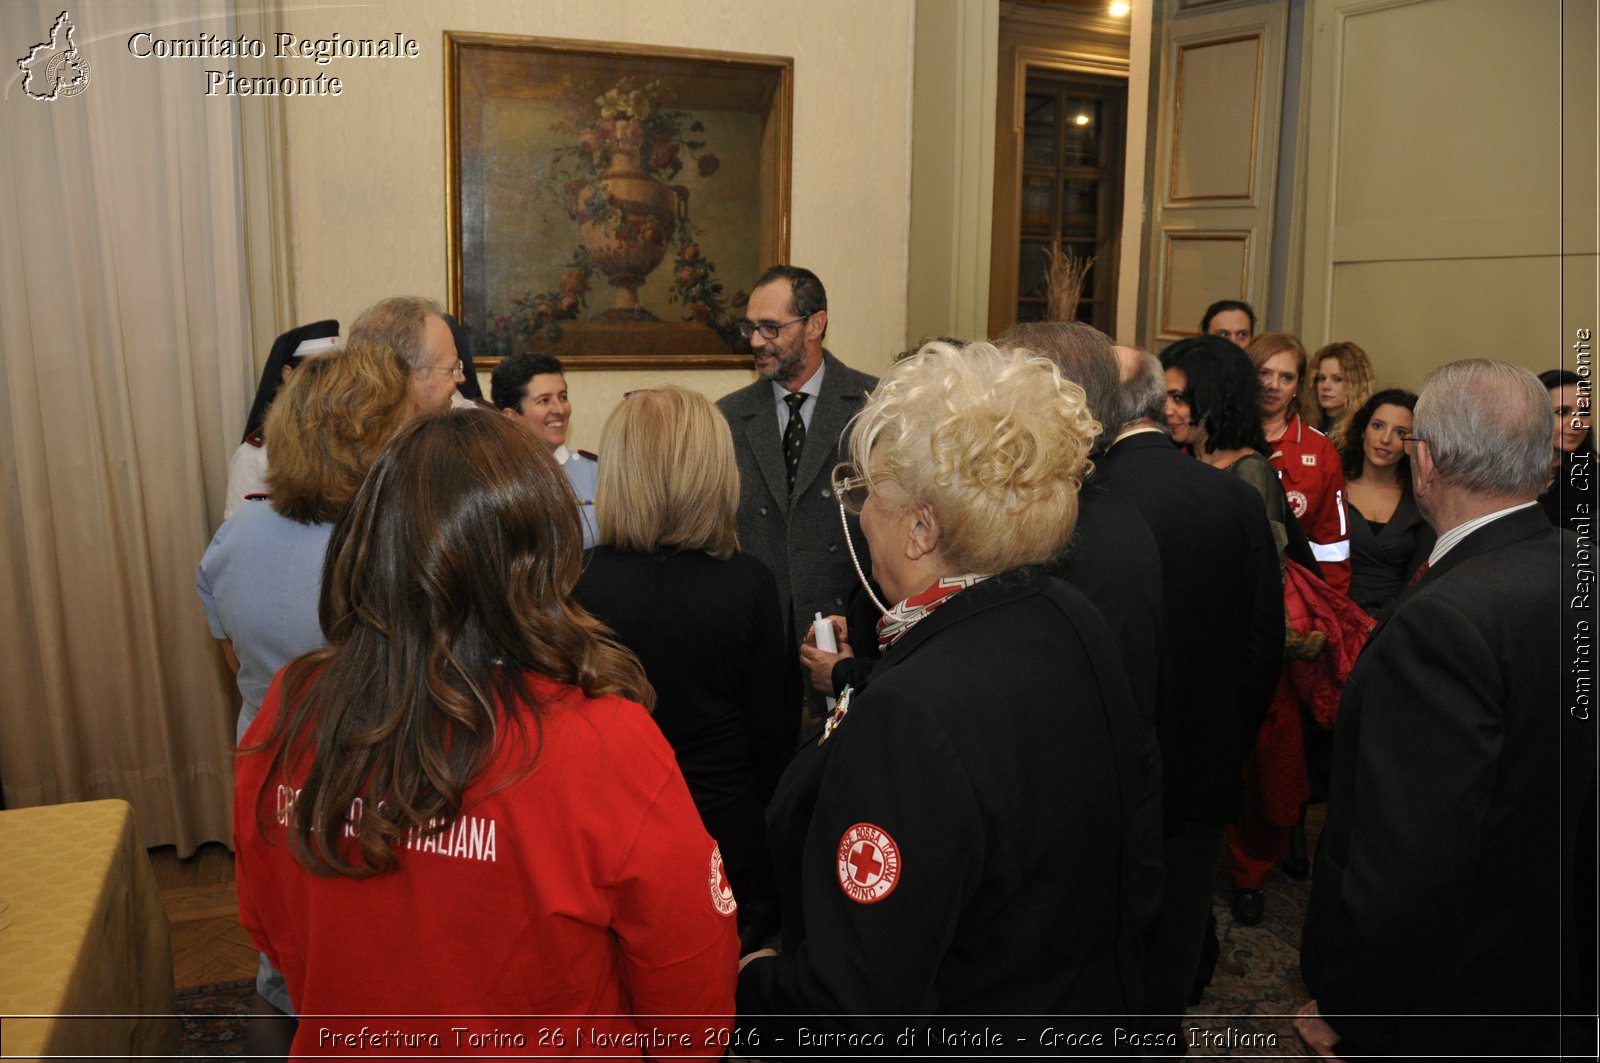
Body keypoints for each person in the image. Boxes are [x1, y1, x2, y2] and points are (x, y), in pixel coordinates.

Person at [234, 412, 739, 1058]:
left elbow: (273, 931)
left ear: (372, 540)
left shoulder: (292, 707)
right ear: (543, 555)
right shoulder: (604, 742)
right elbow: (691, 1019)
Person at [736, 341, 1157, 1029]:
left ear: (922, 528)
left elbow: (854, 1002)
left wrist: (755, 979)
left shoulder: (909, 713)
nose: (861, 515)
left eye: (868, 493)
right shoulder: (1070, 615)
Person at [1298, 360, 1592, 1060]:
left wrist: (1355, 1007)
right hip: (1544, 966)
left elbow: (1408, 860)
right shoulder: (1581, 563)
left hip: (1439, 999)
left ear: (1424, 461)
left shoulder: (1447, 620)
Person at [197, 340, 414, 1049]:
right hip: (374, 794)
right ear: (368, 434)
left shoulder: (233, 538)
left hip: (272, 789)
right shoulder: (396, 546)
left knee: (283, 968)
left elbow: (238, 661)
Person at [1100, 345, 1282, 1016]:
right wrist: (1228, 737)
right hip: (1205, 761)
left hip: (1109, 773)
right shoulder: (1233, 500)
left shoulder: (1081, 502)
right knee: (1174, 939)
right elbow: (1264, 643)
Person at [572, 385, 788, 949]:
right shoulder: (750, 583)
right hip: (719, 833)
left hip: (605, 831)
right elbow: (773, 735)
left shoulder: (574, 581)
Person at [716, 265, 877, 725]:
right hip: (757, 647)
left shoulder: (873, 407)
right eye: (750, 327)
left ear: (815, 325)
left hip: (846, 641)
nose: (755, 341)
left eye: (771, 328)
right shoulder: (727, 419)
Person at [1247, 331, 1351, 594]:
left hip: (1292, 598)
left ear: (1298, 385)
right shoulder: (1218, 439)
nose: (1273, 385)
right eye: (1263, 373)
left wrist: (1330, 613)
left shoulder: (1319, 450)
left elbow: (1332, 546)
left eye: (1286, 377)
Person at [223, 319, 339, 519]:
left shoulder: (356, 438)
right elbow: (243, 533)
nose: (330, 381)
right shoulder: (255, 455)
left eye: (338, 369)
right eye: (317, 371)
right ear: (288, 374)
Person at [1339, 389, 1433, 617]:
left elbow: (1419, 579)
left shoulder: (1421, 501)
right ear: (1363, 430)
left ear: (1412, 442)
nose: (1385, 439)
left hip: (1395, 622)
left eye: (1400, 432)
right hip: (1334, 618)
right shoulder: (1334, 489)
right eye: (1378, 426)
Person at [490, 352, 599, 548]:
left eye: (563, 397)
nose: (560, 409)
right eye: (544, 400)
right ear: (510, 416)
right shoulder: (490, 480)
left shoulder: (598, 474)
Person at [347, 295, 463, 414]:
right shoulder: (344, 428)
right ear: (404, 377)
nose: (461, 378)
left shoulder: (461, 416)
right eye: (451, 370)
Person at [1537, 367, 1595, 532]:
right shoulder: (1499, 476)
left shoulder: (1592, 482)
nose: (1578, 423)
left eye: (1583, 412)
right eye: (1562, 412)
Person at [1307, 341, 1374, 448]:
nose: (1325, 386)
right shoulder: (1307, 423)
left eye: (1337, 379)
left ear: (1356, 383)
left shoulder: (1361, 431)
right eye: (1321, 378)